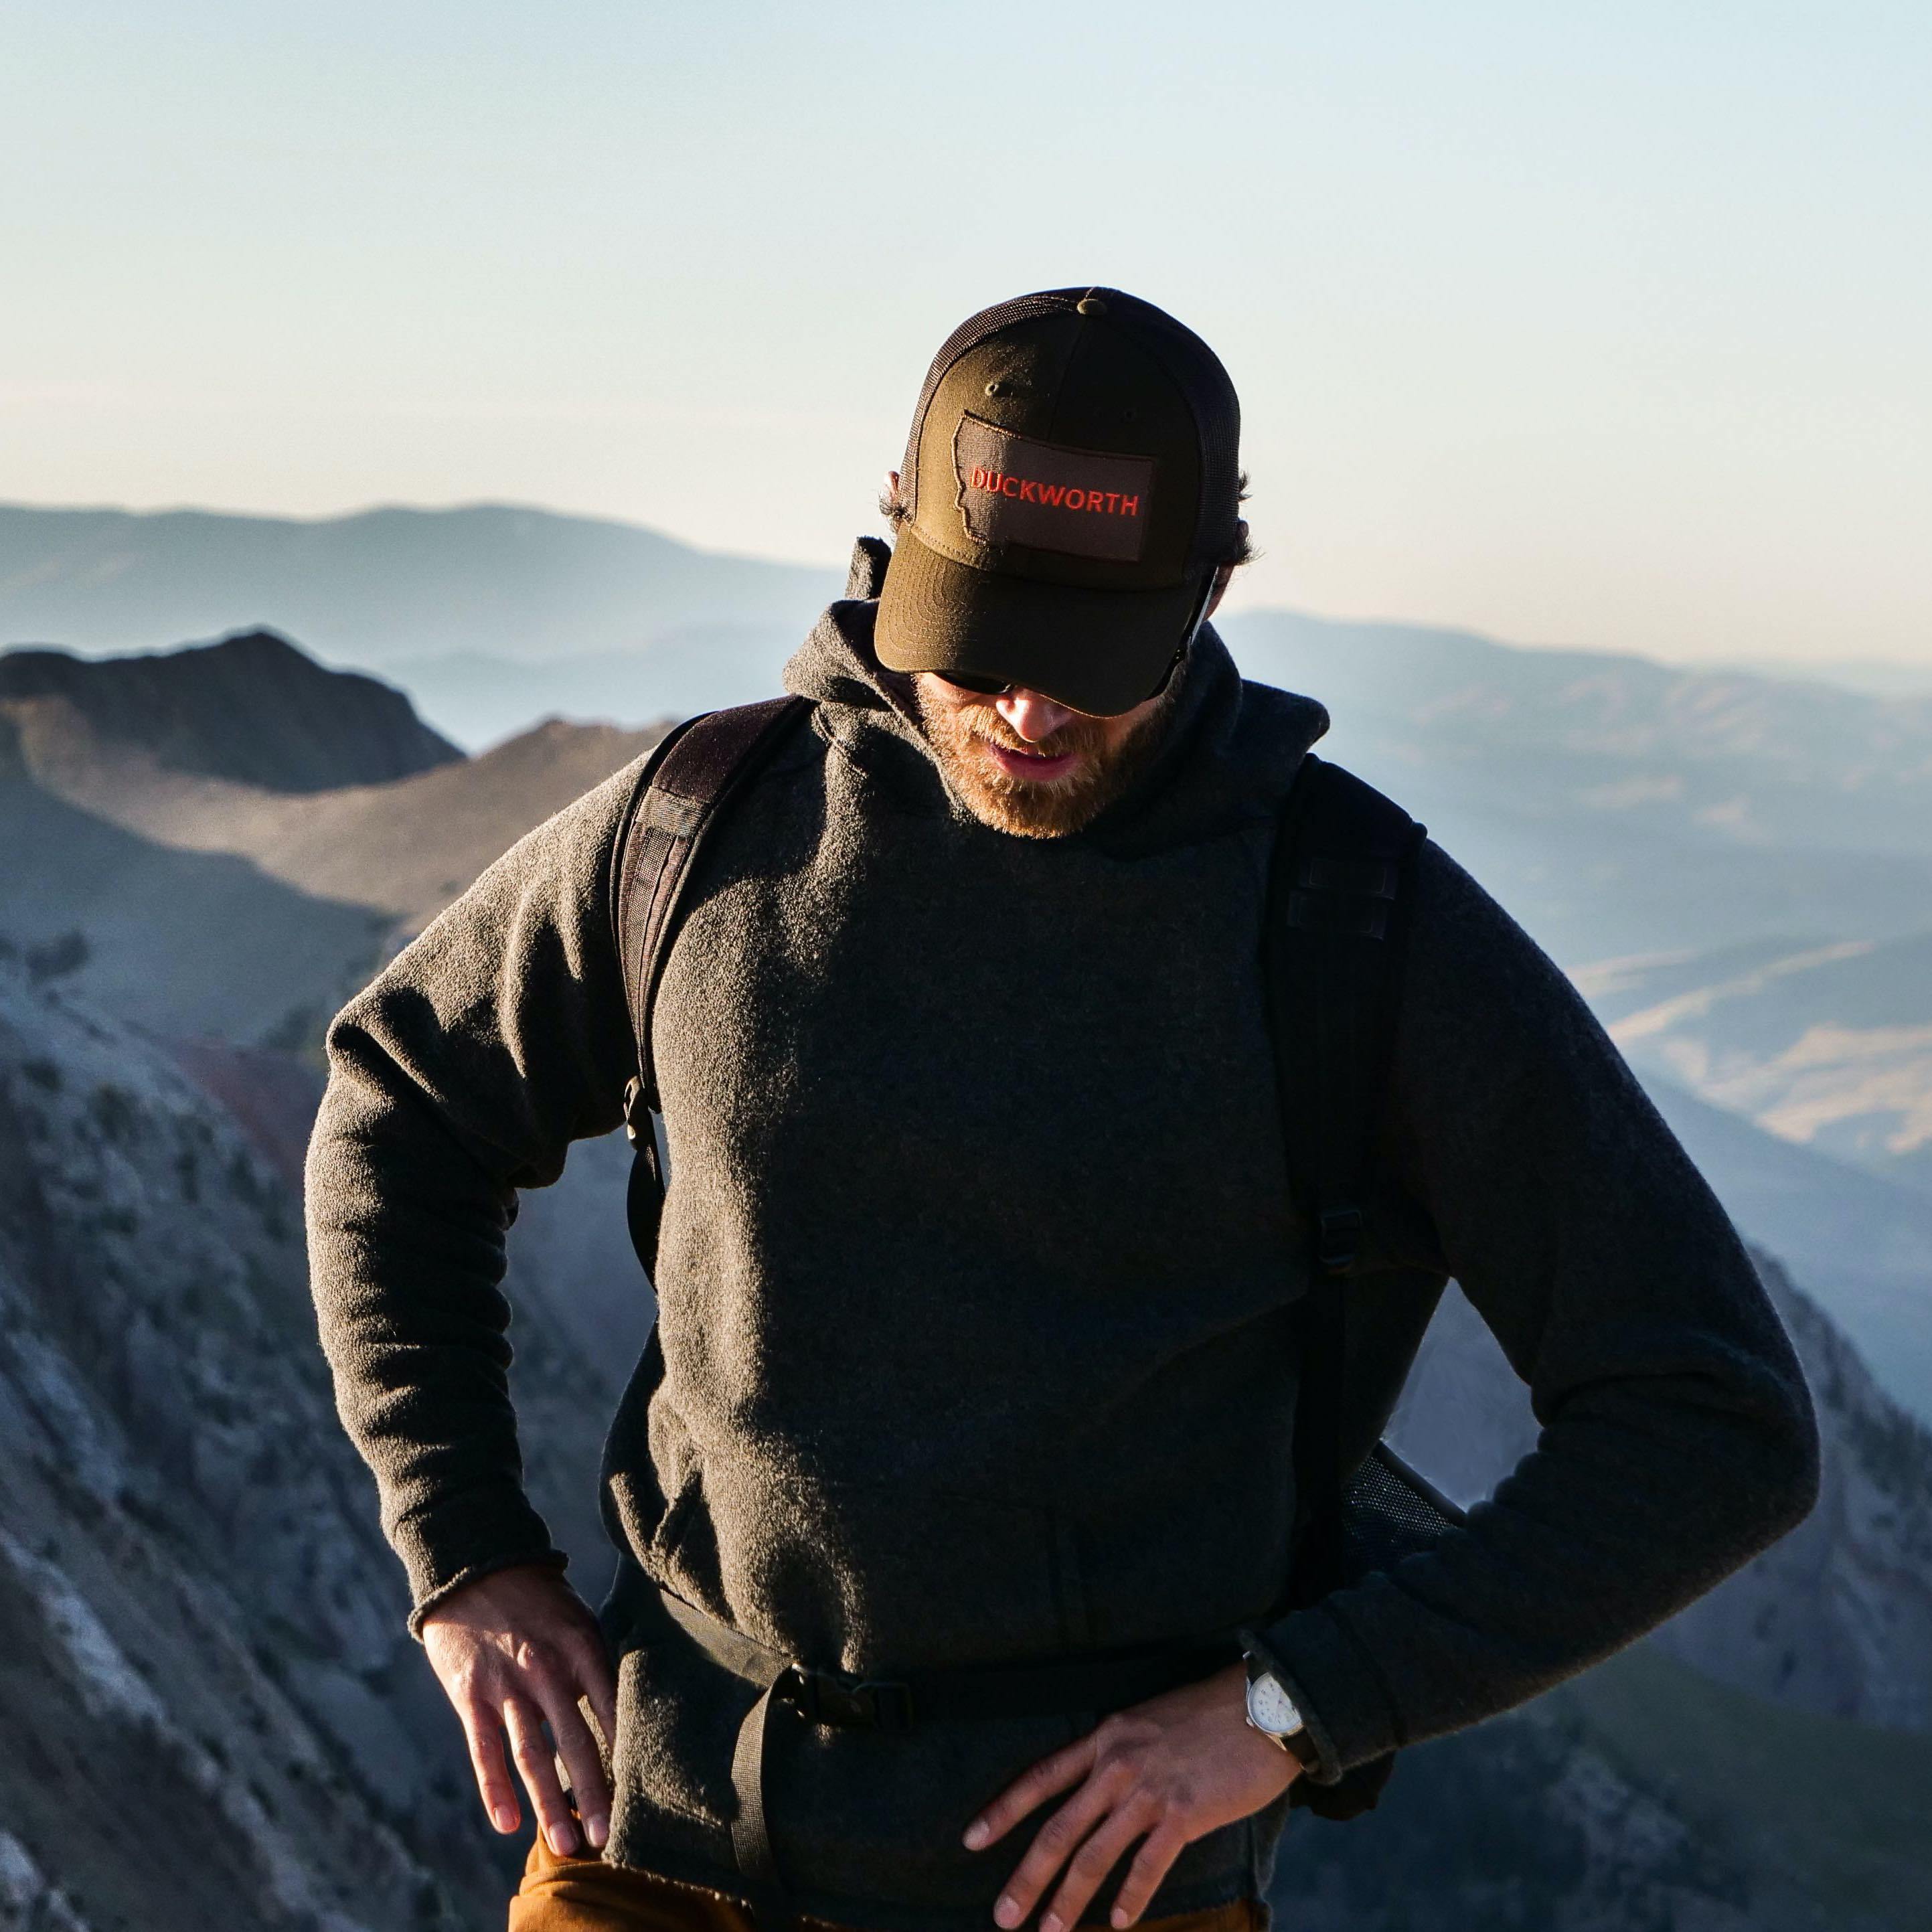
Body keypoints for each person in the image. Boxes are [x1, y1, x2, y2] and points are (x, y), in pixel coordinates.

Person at [306, 287, 1819, 1932]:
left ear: (1211, 591)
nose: (1032, 710)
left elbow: (1714, 1418)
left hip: (1097, 1902)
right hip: (649, 1854)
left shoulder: (1354, 927)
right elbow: (399, 1102)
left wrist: (1293, 1708)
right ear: (896, 546)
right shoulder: (699, 823)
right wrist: (463, 1545)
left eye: (1096, 654)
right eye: (993, 634)